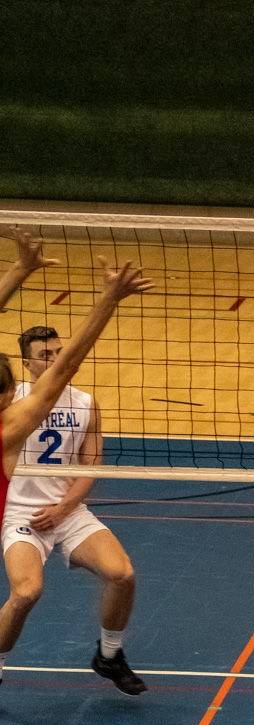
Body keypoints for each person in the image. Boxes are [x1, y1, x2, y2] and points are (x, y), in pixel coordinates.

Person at [0, 232, 153, 690]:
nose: (52, 359)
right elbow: (66, 366)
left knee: (122, 573)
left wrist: (19, 271)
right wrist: (108, 299)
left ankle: (109, 655)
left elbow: (91, 459)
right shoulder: (15, 420)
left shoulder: (82, 403)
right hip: (19, 515)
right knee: (26, 591)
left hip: (66, 512)